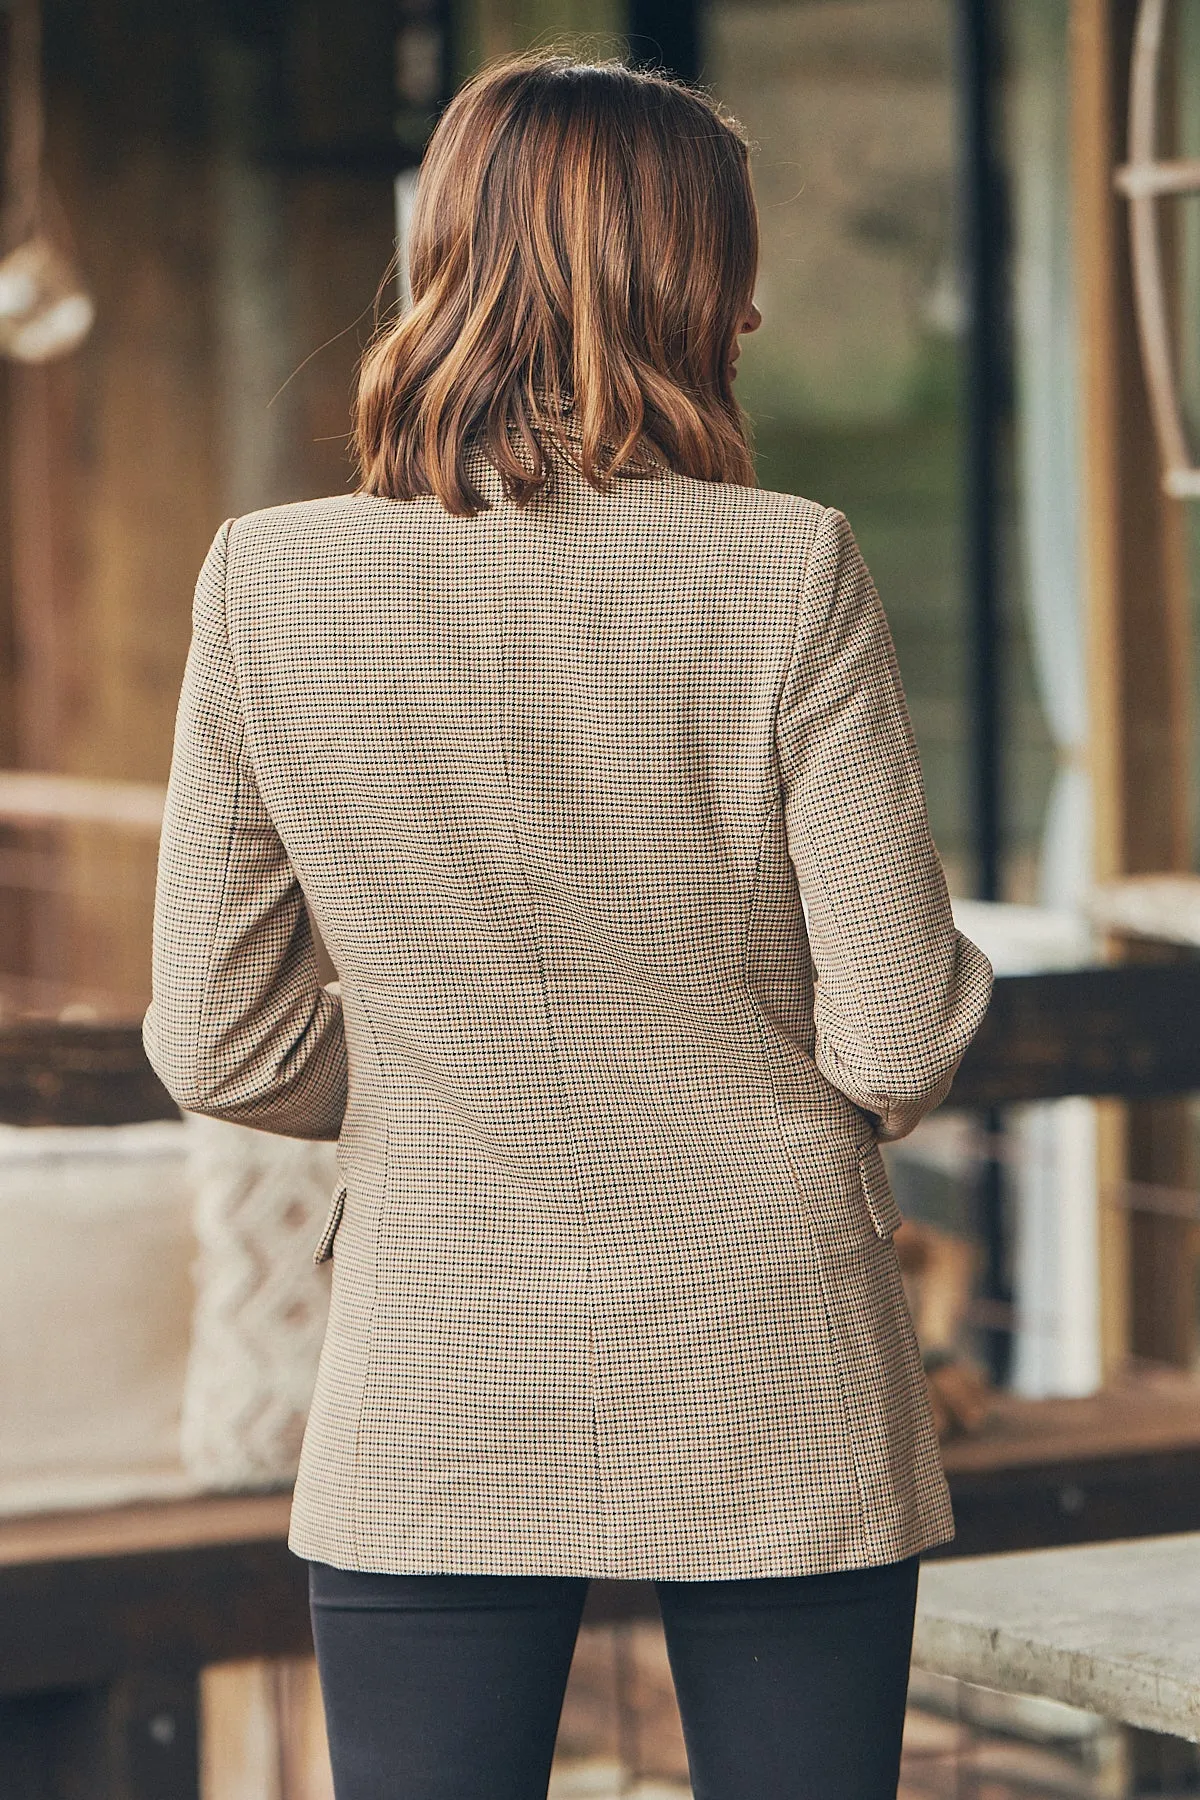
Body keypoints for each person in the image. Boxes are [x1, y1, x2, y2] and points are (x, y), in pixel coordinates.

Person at [144, 53, 993, 1800]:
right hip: (774, 1344)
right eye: (733, 264)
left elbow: (216, 1038)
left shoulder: (269, 582)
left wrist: (434, 1092)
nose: (754, 306)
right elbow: (900, 1035)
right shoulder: (790, 564)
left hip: (433, 1343)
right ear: (694, 284)